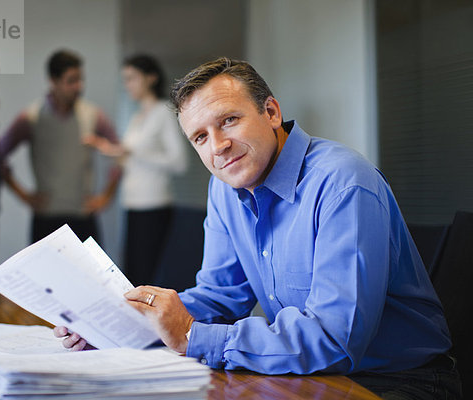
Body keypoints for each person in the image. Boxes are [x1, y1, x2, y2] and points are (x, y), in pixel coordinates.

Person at [55, 58, 462, 399]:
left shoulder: (342, 183)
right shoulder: (226, 185)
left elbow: (335, 340)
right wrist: (121, 326)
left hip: (399, 383)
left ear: (271, 113)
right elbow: (220, 297)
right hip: (310, 373)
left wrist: (193, 336)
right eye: (200, 137)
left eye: (228, 121)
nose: (217, 147)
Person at [0, 50, 120, 244]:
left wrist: (106, 196)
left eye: (80, 80)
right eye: (71, 81)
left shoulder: (93, 115)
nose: (78, 87)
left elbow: (119, 154)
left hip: (83, 219)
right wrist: (23, 195)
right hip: (46, 221)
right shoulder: (31, 117)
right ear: (53, 81)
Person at [86, 54, 187, 285]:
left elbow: (179, 162)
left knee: (145, 277)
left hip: (154, 207)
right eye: (125, 79)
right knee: (132, 275)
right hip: (132, 205)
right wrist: (111, 151)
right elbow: (128, 157)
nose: (127, 85)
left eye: (131, 78)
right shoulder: (137, 117)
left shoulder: (163, 112)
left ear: (150, 78)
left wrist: (131, 152)